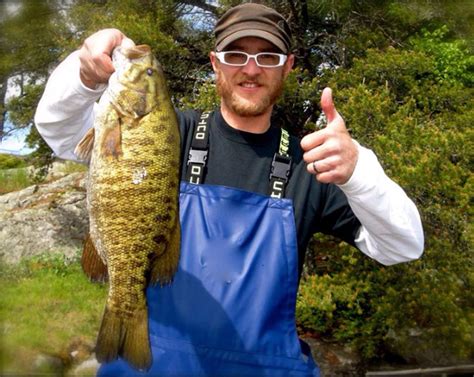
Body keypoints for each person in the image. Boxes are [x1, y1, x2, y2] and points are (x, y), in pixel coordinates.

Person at [35, 3, 423, 376]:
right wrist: (85, 73)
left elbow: (403, 246)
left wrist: (359, 173)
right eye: (236, 55)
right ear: (214, 63)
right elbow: (59, 130)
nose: (251, 69)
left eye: (268, 57)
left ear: (287, 67)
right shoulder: (169, 132)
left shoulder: (313, 165)